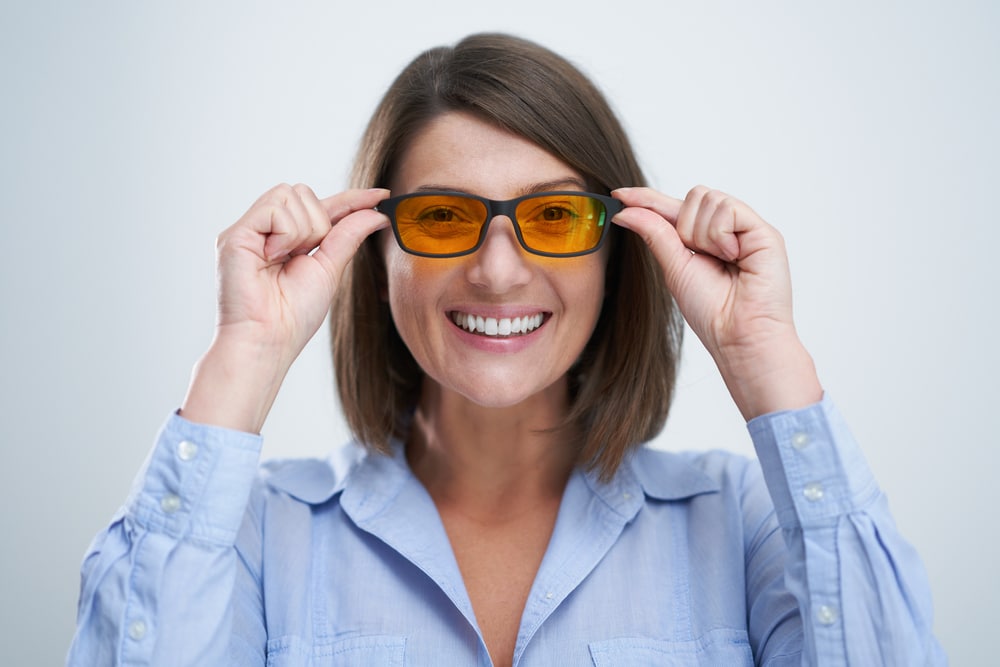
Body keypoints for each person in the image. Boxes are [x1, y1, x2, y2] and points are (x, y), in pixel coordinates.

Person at [67, 33, 945, 666]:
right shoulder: (257, 539)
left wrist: (765, 357)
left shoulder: (743, 520)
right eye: (443, 217)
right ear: (377, 259)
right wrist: (243, 358)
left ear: (615, 252)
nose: (496, 269)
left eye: (554, 216)